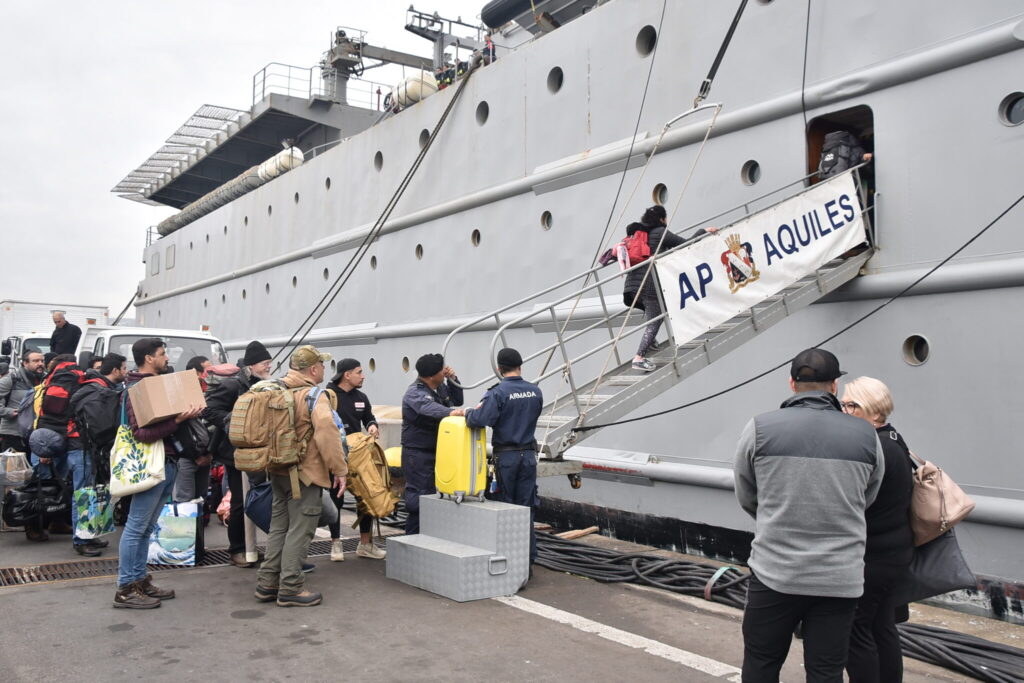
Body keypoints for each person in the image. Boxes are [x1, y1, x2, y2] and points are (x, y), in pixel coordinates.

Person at [733, 348, 885, 682]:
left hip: (775, 572)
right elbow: (867, 497)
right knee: (826, 672)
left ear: (792, 384)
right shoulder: (866, 436)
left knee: (761, 663)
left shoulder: (759, 428)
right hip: (839, 578)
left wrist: (777, 515)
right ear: (834, 386)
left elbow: (746, 493)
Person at [254, 345, 348, 608]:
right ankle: (291, 587)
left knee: (279, 528)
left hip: (278, 469)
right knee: (300, 530)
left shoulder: (276, 389)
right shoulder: (314, 395)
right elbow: (327, 432)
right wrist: (340, 469)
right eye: (322, 365)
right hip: (306, 474)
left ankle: (267, 583)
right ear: (314, 369)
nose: (324, 369)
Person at [113, 338, 202, 609]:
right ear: (149, 358)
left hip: (166, 462)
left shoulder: (158, 384)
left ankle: (139, 580)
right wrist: (178, 420)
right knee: (136, 527)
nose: (167, 358)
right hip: (151, 464)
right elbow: (141, 433)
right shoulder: (137, 389)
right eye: (162, 354)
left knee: (147, 527)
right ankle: (125, 588)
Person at [840, 377, 914, 683]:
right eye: (843, 404)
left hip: (874, 556)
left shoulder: (875, 448)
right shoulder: (893, 438)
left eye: (851, 405)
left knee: (855, 630)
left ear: (872, 410)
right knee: (881, 626)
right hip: (894, 551)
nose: (844, 411)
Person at [465, 348, 543, 569]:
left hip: (507, 458)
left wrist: (469, 412)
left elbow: (479, 419)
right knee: (526, 507)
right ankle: (528, 559)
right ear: (520, 366)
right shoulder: (535, 391)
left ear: (499, 369)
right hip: (528, 457)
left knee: (506, 507)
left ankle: (509, 561)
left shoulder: (497, 393)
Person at [203, 340, 273, 567]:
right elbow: (208, 409)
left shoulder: (263, 384)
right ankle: (237, 550)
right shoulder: (233, 385)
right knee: (240, 501)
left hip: (257, 451)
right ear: (252, 365)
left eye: (270, 362)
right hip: (233, 452)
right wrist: (234, 423)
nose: (269, 366)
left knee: (256, 497)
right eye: (265, 363)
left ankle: (251, 547)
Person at [622, 205, 715, 372]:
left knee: (658, 311)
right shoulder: (659, 232)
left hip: (632, 285)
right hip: (649, 284)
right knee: (655, 320)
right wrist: (704, 231)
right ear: (661, 219)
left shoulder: (640, 234)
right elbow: (685, 244)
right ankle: (639, 358)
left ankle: (651, 342)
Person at [34, 354, 101, 555]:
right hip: (77, 443)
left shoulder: (50, 383)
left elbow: (46, 417)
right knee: (84, 492)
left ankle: (86, 535)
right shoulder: (79, 380)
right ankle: (83, 539)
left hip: (58, 442)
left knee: (71, 489)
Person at [324, 358, 385, 562]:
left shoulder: (361, 397)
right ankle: (335, 543)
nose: (363, 376)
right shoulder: (328, 396)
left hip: (358, 456)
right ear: (347, 375)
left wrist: (372, 425)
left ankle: (365, 544)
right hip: (336, 454)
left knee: (365, 496)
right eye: (359, 372)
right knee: (336, 498)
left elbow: (368, 417)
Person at [400, 353, 464, 535]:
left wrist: (453, 379)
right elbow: (429, 408)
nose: (444, 371)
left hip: (437, 451)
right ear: (430, 376)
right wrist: (454, 413)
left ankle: (431, 537)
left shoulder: (439, 388)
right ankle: (413, 539)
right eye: (442, 370)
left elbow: (457, 400)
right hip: (418, 455)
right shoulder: (414, 393)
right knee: (419, 498)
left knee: (437, 496)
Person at [0, 348, 44, 453]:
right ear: (25, 363)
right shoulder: (13, 378)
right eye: (36, 361)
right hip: (14, 433)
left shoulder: (46, 379)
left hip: (38, 434)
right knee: (15, 464)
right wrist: (7, 412)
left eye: (42, 361)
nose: (40, 364)